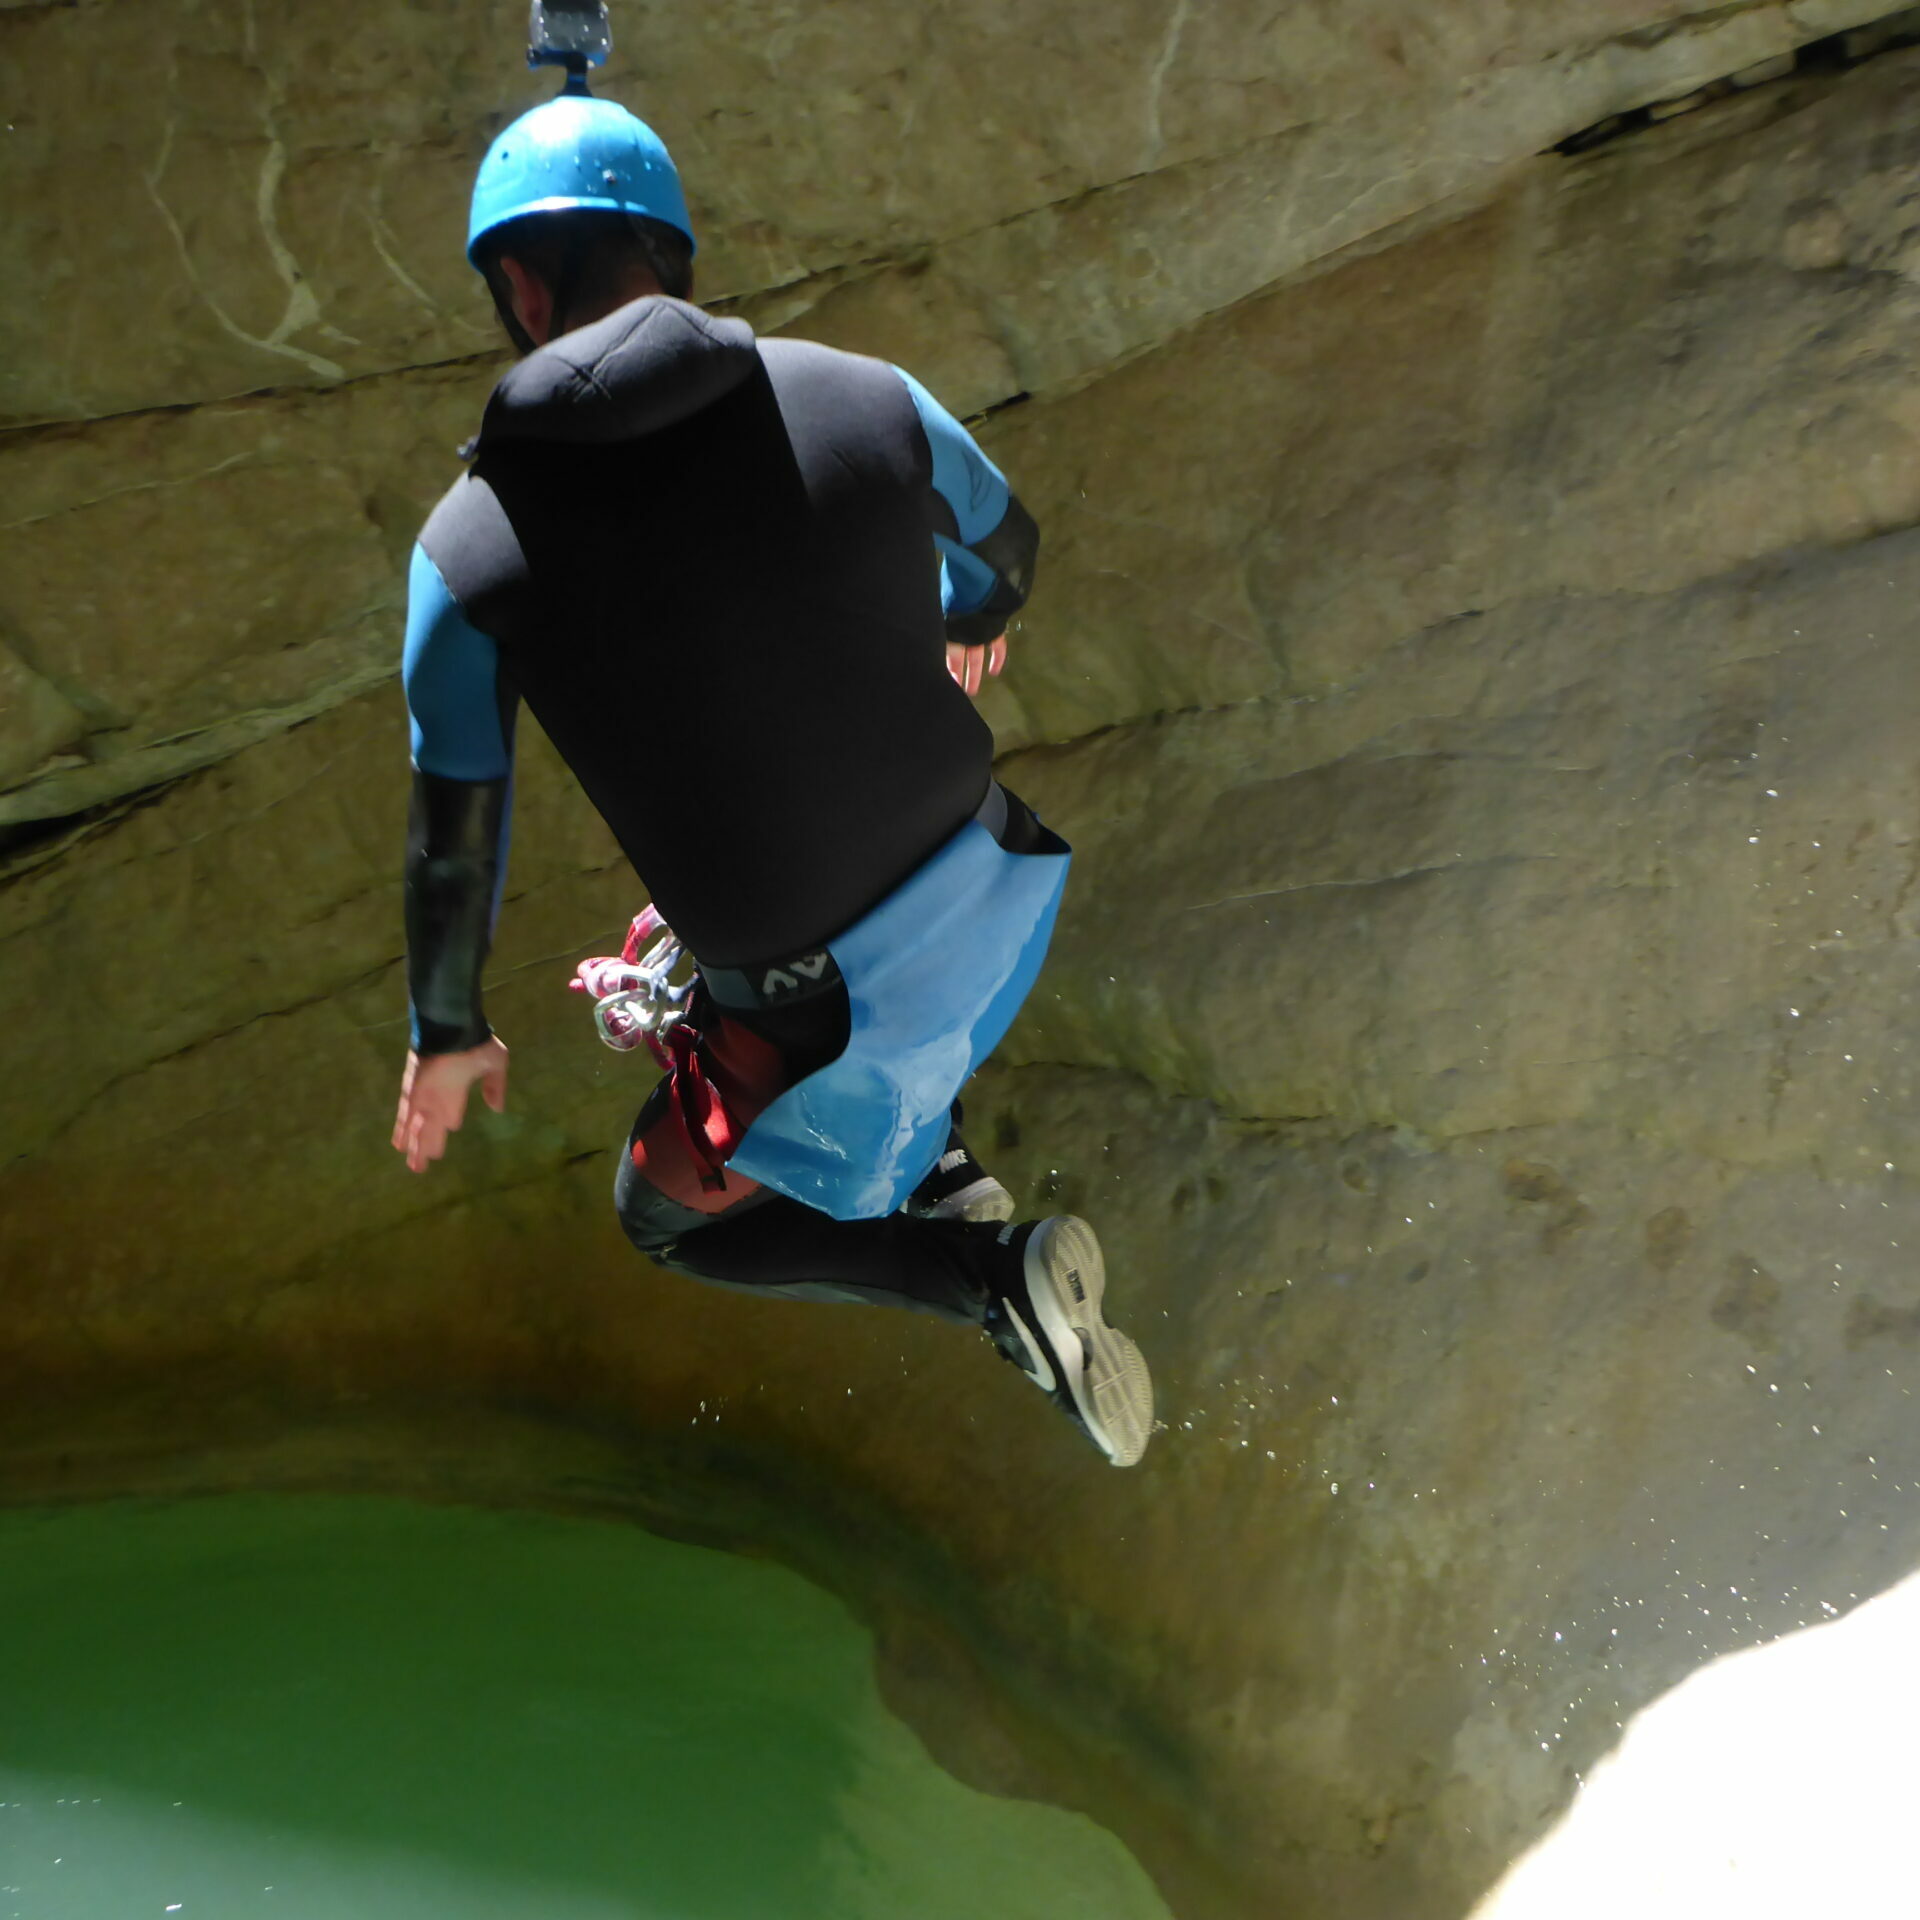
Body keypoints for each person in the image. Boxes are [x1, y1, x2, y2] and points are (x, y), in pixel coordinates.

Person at [388, 90, 1153, 1467]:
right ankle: (931, 1159)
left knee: (664, 1216)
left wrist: (448, 1035)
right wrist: (963, 623)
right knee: (813, 880)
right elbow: (1005, 552)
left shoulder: (467, 552)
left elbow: (455, 832)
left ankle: (991, 1284)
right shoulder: (869, 393)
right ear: (673, 255)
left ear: (518, 287)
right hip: (1003, 893)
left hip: (824, 1011)